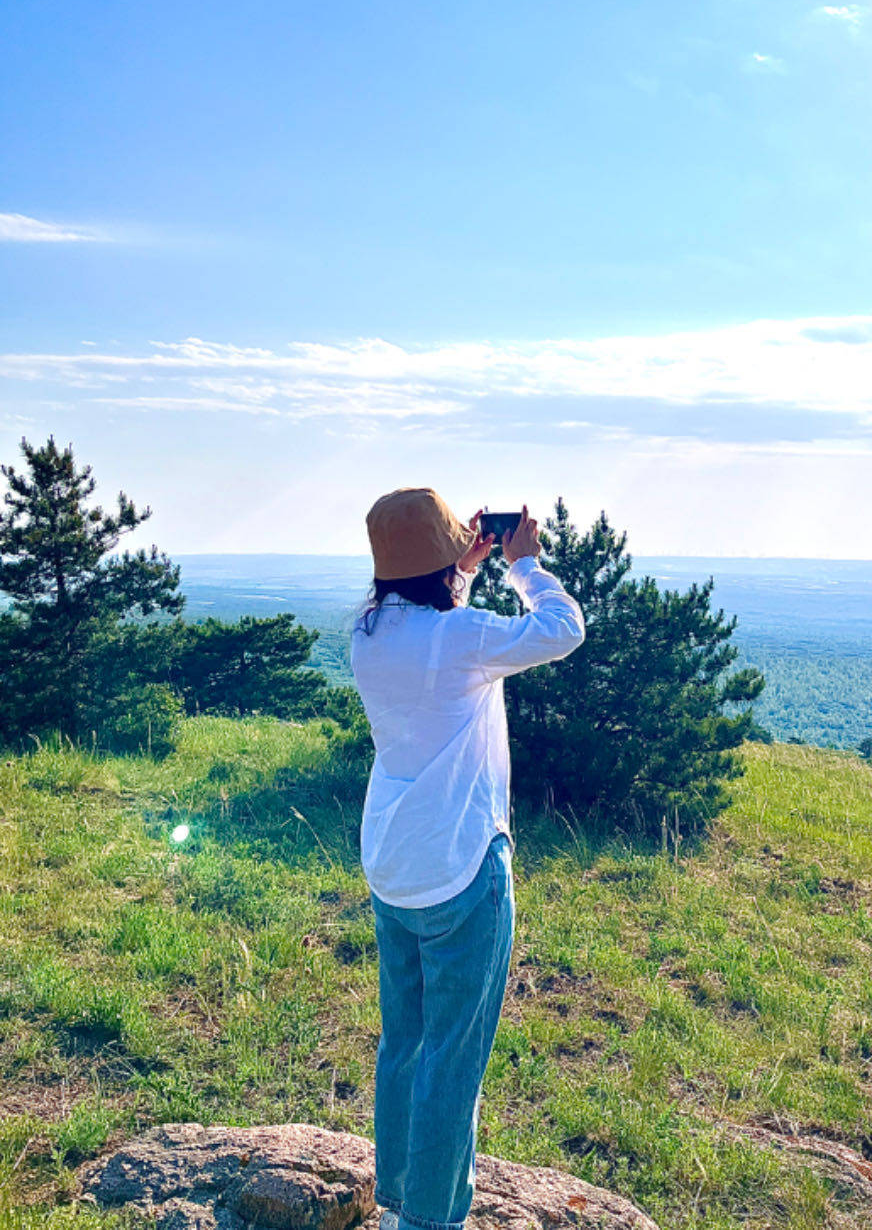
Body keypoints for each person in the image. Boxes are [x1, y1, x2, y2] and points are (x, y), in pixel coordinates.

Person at [350, 487, 586, 1230]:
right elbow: (563, 628)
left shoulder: (368, 632)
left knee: (406, 1042)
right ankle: (430, 1219)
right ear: (444, 565)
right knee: (453, 1058)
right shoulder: (461, 642)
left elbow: (430, 630)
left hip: (394, 867)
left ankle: (396, 1200)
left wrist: (462, 570)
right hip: (460, 868)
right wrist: (522, 565)